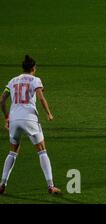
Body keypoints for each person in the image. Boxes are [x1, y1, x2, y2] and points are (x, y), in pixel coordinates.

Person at [0, 55, 60, 195]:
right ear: (33, 68)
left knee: (12, 152)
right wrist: (48, 113)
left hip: (14, 120)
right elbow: (40, 97)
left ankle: (2, 184)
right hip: (30, 119)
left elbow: (2, 101)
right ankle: (51, 186)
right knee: (42, 150)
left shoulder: (12, 81)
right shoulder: (35, 80)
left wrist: (7, 117)